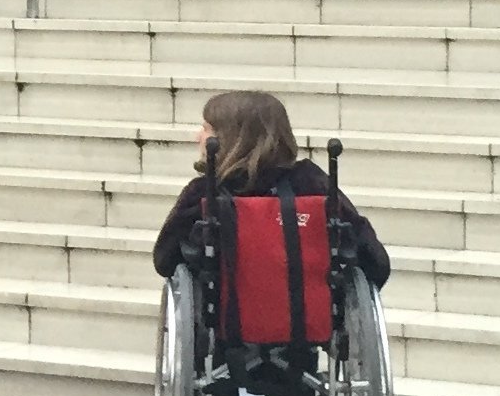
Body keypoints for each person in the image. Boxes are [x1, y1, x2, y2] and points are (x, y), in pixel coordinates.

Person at [152, 90, 390, 288]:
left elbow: (164, 260)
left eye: (206, 129)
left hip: (224, 328)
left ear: (229, 139)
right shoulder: (312, 183)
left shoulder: (205, 192)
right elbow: (376, 263)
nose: (197, 137)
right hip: (305, 324)